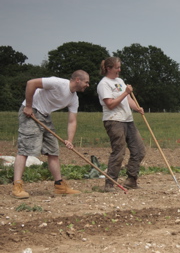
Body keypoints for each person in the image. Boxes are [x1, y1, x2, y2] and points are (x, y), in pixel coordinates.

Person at [12, 70, 90, 199]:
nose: (87, 85)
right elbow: (31, 83)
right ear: (77, 80)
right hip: (31, 112)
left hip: (45, 116)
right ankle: (17, 185)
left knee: (53, 150)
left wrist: (69, 140)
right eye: (86, 82)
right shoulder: (58, 83)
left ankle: (59, 185)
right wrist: (29, 106)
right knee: (25, 149)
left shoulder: (74, 98)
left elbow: (72, 120)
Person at [97, 57, 146, 192]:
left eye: (119, 67)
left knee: (139, 150)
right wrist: (125, 92)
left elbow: (128, 99)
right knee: (119, 152)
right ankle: (110, 183)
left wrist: (137, 108)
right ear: (109, 68)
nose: (119, 70)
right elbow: (110, 104)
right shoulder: (104, 84)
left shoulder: (120, 81)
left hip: (128, 119)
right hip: (114, 120)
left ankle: (131, 180)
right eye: (117, 67)